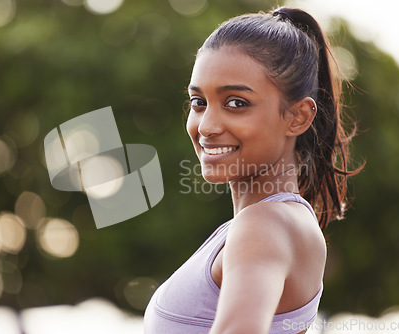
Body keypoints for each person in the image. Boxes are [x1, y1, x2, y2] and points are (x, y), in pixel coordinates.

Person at [144, 6, 360, 334]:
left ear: (298, 116)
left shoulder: (262, 226)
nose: (207, 126)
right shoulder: (283, 223)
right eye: (198, 102)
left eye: (236, 103)